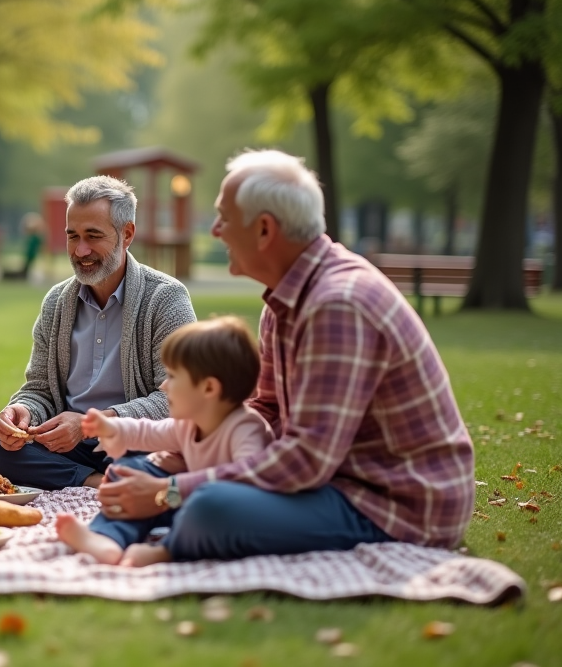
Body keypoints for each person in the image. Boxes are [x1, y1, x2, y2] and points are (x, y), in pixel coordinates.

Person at [96, 150, 475, 561]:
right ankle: (111, 540)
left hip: (388, 503)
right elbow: (265, 409)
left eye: (224, 217)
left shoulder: (338, 305)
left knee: (210, 507)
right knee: (132, 473)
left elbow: (305, 461)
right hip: (326, 482)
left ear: (263, 230)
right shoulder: (287, 297)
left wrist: (172, 491)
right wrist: (184, 458)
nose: (217, 230)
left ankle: (166, 538)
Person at [0, 175, 198, 490]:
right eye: (72, 236)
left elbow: (176, 402)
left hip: (132, 441)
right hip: (65, 445)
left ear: (126, 234)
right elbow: (40, 390)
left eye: (93, 235)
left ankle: (76, 476)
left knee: (159, 460)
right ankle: (92, 481)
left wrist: (91, 424)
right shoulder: (57, 302)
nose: (81, 250)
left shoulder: (166, 298)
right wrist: (23, 412)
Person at [55, 317, 273, 565]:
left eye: (173, 375)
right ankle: (108, 538)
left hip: (220, 513)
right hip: (175, 499)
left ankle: (167, 549)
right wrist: (110, 426)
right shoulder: (190, 424)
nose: (164, 385)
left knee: (205, 505)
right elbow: (148, 432)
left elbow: (247, 477)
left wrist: (173, 485)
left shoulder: (245, 428)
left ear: (209, 388)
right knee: (131, 470)